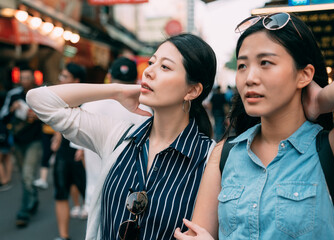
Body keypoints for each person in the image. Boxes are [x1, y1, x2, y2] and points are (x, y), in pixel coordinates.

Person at [174, 12, 334, 239]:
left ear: (304, 75)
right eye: (242, 66)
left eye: (265, 63)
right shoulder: (225, 153)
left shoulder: (333, 151)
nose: (249, 77)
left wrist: (320, 100)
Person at [26, 33, 217, 240]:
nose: (149, 72)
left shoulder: (211, 159)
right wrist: (116, 91)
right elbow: (39, 100)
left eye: (165, 67)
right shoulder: (118, 138)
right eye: (151, 63)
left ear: (192, 90)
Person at [74, 57, 151, 220]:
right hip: (133, 201)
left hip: (96, 195)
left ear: (109, 76)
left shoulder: (89, 105)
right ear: (136, 79)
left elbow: (80, 154)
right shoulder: (147, 110)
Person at [45, 62, 87, 240]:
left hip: (84, 155)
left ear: (76, 81)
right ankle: (64, 236)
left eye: (64, 76)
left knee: (93, 197)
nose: (60, 79)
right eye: (61, 76)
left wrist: (85, 148)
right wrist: (57, 136)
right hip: (64, 153)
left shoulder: (89, 101)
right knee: (61, 193)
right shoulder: (59, 100)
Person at [0, 64, 43, 227]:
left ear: (33, 78)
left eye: (27, 77)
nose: (24, 80)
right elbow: (3, 115)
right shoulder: (13, 94)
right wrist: (12, 109)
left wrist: (36, 115)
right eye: (22, 78)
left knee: (27, 175)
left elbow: (50, 117)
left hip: (35, 141)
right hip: (17, 141)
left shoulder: (39, 94)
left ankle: (23, 212)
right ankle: (33, 200)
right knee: (27, 178)